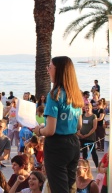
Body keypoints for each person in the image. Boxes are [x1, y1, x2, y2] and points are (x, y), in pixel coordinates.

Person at [33, 56, 84, 193]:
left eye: (50, 67)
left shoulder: (55, 95)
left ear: (59, 71)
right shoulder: (75, 95)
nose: (47, 70)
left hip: (57, 146)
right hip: (73, 143)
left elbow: (50, 130)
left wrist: (39, 130)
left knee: (59, 189)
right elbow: (79, 125)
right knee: (70, 186)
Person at [77, 103, 98, 167]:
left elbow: (94, 127)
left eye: (88, 108)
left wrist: (87, 135)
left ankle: (97, 166)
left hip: (90, 137)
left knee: (93, 152)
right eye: (86, 108)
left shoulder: (93, 116)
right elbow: (79, 125)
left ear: (91, 108)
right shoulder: (82, 115)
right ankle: (85, 166)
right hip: (82, 137)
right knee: (84, 152)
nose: (87, 109)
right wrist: (79, 134)